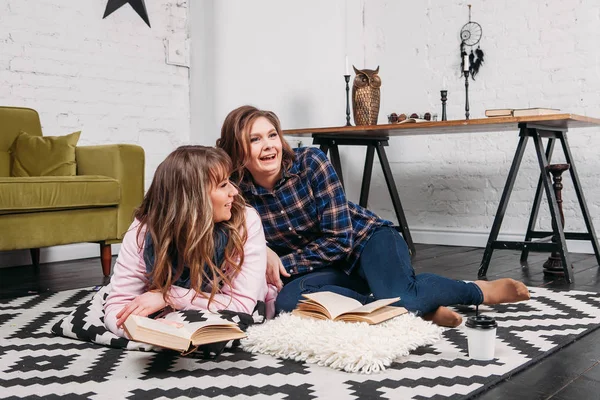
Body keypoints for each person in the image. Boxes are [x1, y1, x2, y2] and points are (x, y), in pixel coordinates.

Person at [217, 105, 530, 328]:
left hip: (366, 242)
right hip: (327, 269)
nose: (268, 145)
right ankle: (413, 305)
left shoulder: (310, 162)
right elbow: (240, 237)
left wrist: (283, 262)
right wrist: (267, 250)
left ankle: (476, 291)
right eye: (254, 139)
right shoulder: (236, 193)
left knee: (398, 292)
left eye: (271, 135)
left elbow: (340, 239)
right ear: (237, 150)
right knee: (287, 303)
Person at [104, 145, 277, 337]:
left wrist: (169, 295)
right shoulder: (144, 228)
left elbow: (241, 305)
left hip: (230, 310)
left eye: (229, 181)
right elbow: (118, 305)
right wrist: (146, 331)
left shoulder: (245, 220)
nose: (234, 192)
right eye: (222, 185)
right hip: (183, 308)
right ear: (194, 198)